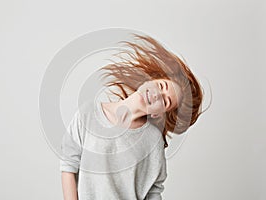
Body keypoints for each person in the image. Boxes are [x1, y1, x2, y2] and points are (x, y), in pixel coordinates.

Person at [60, 34, 206, 200]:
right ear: (150, 80)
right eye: (161, 86)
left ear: (158, 113)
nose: (158, 95)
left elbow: (154, 191)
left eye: (165, 101)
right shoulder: (88, 114)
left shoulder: (153, 141)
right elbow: (68, 166)